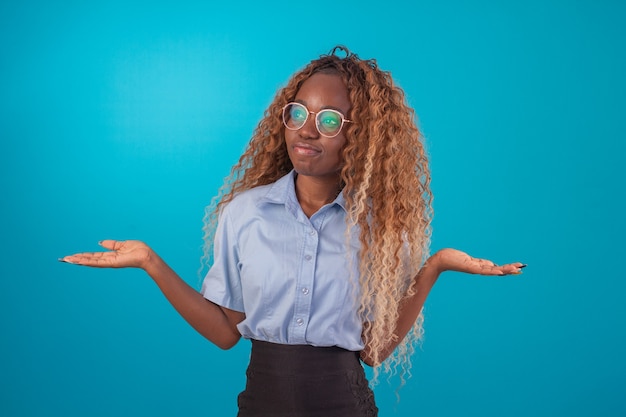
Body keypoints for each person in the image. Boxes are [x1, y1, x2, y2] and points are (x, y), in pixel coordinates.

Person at [60, 46, 525, 417]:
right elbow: (226, 333)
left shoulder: (383, 231)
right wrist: (150, 263)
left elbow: (375, 351)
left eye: (328, 121)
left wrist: (436, 265)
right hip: (261, 403)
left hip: (345, 405)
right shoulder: (244, 214)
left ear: (358, 135)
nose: (306, 131)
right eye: (298, 114)